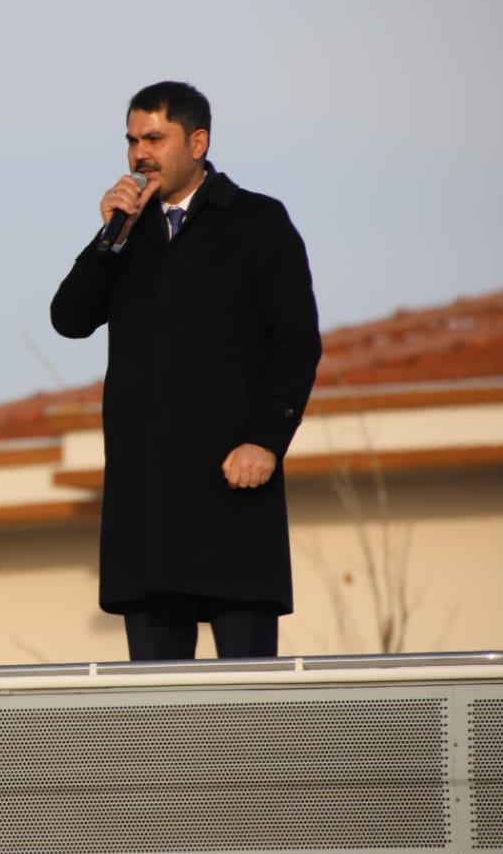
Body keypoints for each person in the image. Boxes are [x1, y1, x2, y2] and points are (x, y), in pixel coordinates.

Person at [50, 82, 321, 661]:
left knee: (249, 707)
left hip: (231, 490)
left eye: (154, 138)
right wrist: (109, 235)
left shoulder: (257, 221)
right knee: (160, 715)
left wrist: (266, 441)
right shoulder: (126, 234)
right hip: (147, 505)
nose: (139, 153)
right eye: (131, 140)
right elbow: (68, 319)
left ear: (197, 142)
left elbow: (296, 343)